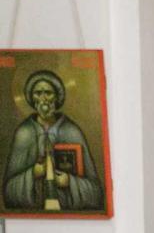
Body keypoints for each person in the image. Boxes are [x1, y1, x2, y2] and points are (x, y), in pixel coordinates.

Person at [4, 69, 103, 211]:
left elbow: (95, 193)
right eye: (38, 93)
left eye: (48, 93)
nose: (43, 99)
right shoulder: (24, 133)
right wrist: (33, 173)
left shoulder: (72, 132)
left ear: (56, 97)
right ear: (32, 98)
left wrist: (70, 182)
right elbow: (8, 192)